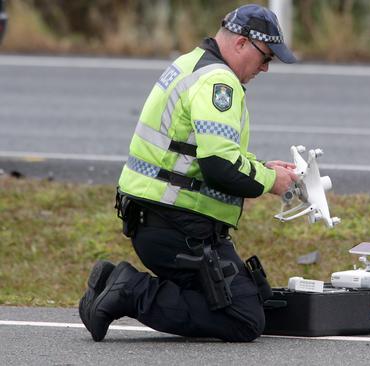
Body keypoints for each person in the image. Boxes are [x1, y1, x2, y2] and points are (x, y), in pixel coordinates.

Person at [78, 4, 298, 342]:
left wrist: (261, 168)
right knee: (244, 318)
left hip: (158, 218)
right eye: (265, 57)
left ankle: (116, 283)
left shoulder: (190, 63)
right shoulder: (218, 82)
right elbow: (219, 166)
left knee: (242, 300)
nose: (265, 68)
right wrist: (272, 182)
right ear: (241, 43)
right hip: (176, 225)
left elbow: (204, 151)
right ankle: (130, 290)